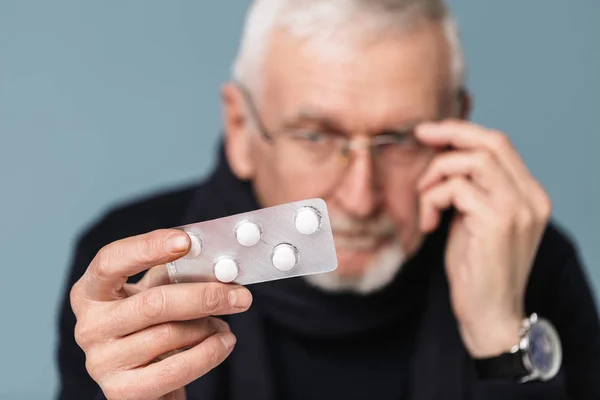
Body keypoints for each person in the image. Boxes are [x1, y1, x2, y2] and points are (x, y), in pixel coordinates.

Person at [56, 0, 600, 399]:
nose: (361, 199)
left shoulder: (531, 260)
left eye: (401, 139)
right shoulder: (127, 280)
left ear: (457, 126)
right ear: (241, 128)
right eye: (316, 137)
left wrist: (500, 334)